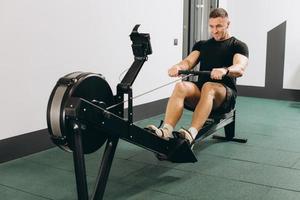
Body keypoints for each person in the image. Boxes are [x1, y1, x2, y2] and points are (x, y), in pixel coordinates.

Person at [146, 8, 249, 147]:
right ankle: (166, 131)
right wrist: (178, 67)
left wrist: (225, 70)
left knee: (209, 86)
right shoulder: (202, 45)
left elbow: (240, 67)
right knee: (181, 86)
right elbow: (188, 62)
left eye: (219, 26)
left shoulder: (238, 45)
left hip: (224, 97)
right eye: (211, 26)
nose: (214, 30)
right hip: (202, 94)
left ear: (228, 24)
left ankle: (192, 133)